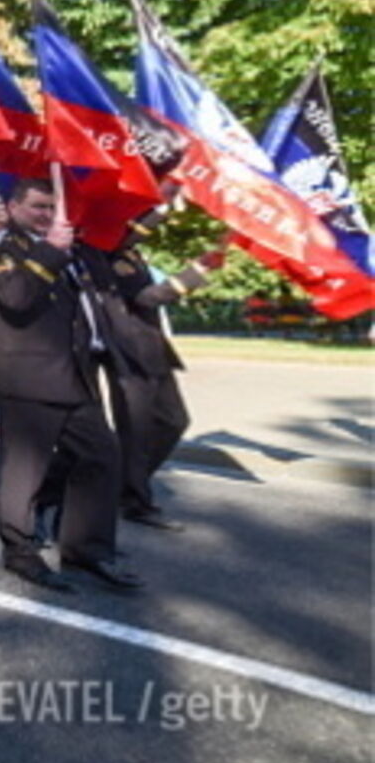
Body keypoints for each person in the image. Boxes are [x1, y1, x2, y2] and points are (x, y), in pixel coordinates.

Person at [0, 179, 142, 594]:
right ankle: (19, 551)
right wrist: (49, 249)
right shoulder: (3, 246)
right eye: (37, 206)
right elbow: (16, 298)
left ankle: (85, 548)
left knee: (102, 455)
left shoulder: (70, 247)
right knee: (24, 472)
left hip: (71, 374)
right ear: (14, 207)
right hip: (25, 376)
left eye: (52, 206)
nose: (46, 213)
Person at [95, 209, 222, 530]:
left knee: (174, 421)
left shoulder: (130, 254)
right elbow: (149, 297)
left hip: (153, 351)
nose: (141, 229)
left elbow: (143, 227)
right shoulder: (105, 257)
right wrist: (199, 268)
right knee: (136, 432)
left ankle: (118, 484)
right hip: (129, 355)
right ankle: (135, 501)